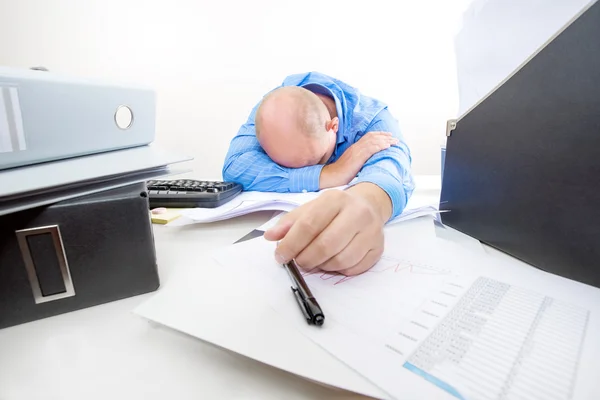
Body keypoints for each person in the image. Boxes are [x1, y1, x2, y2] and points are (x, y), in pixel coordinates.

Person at [222, 72, 414, 276]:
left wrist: (369, 204)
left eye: (317, 159)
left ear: (334, 126)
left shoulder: (373, 119)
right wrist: (331, 173)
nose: (303, 169)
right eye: (286, 165)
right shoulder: (274, 109)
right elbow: (236, 167)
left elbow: (392, 170)